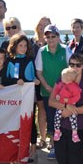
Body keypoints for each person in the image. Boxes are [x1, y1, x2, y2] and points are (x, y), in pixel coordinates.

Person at [49, 54, 83, 164]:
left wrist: (73, 111)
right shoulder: (61, 79)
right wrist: (65, 106)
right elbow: (51, 101)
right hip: (61, 127)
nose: (74, 68)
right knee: (62, 162)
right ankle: (77, 150)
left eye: (78, 65)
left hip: (80, 127)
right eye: (71, 64)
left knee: (76, 163)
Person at [35, 24, 72, 159]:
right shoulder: (41, 51)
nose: (50, 39)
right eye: (48, 37)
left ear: (58, 37)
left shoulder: (65, 50)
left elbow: (72, 69)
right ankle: (53, 144)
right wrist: (47, 86)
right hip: (47, 92)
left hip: (64, 92)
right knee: (51, 119)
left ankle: (64, 144)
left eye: (53, 36)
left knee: (64, 118)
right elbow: (39, 72)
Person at [5, 33, 40, 163]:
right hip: (13, 97)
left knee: (29, 121)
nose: (23, 48)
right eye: (20, 45)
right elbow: (6, 79)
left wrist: (35, 81)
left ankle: (33, 148)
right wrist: (15, 81)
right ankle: (14, 148)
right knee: (14, 121)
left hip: (28, 96)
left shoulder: (29, 60)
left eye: (25, 45)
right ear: (14, 46)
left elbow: (32, 77)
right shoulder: (9, 61)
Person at [30, 16, 51, 150]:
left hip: (47, 82)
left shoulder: (52, 42)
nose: (42, 27)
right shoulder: (30, 42)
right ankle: (39, 139)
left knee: (46, 111)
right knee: (34, 112)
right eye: (40, 25)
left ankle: (48, 138)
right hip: (32, 82)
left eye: (46, 25)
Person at [53, 67, 82, 143]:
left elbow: (77, 96)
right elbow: (56, 90)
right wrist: (57, 95)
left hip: (71, 104)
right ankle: (57, 130)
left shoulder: (74, 86)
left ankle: (74, 133)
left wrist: (69, 100)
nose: (61, 78)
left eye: (63, 76)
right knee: (57, 116)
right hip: (61, 104)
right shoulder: (61, 84)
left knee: (73, 119)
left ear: (68, 78)